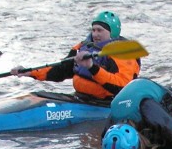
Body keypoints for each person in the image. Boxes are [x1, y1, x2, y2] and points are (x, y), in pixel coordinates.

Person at [10, 10, 140, 101]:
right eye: (93, 30)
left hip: (107, 103)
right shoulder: (83, 47)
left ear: (112, 33)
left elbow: (122, 86)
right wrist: (30, 72)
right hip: (82, 98)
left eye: (100, 30)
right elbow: (61, 70)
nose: (95, 34)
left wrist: (92, 68)